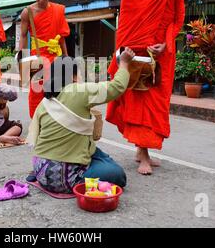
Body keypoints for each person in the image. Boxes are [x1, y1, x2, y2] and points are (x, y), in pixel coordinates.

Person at [106, 0, 185, 175]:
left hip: (160, 56)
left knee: (155, 104)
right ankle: (144, 154)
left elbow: (177, 18)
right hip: (135, 56)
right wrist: (122, 54)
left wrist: (166, 44)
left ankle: (143, 151)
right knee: (138, 104)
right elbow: (126, 27)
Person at [27, 48, 135, 194]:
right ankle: (86, 173)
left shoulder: (45, 100)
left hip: (41, 169)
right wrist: (124, 63)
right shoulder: (78, 91)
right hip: (62, 179)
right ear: (72, 76)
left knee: (96, 152)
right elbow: (116, 87)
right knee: (117, 175)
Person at [19, 0, 70, 118]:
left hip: (55, 55)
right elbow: (23, 36)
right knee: (37, 90)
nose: (41, 0)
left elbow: (62, 37)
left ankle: (55, 121)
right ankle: (36, 120)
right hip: (38, 57)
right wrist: (22, 57)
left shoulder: (58, 10)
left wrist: (66, 57)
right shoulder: (27, 12)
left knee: (57, 89)